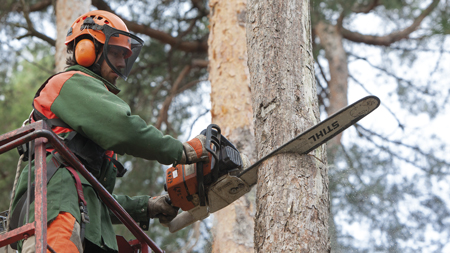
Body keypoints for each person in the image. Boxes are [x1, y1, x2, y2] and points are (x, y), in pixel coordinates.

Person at [10, 10, 209, 253]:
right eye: (115, 53)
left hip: (87, 226)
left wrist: (146, 207)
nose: (123, 63)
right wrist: (183, 151)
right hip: (56, 208)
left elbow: (96, 196)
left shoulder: (88, 117)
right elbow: (124, 129)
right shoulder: (70, 83)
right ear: (86, 49)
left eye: (125, 56)